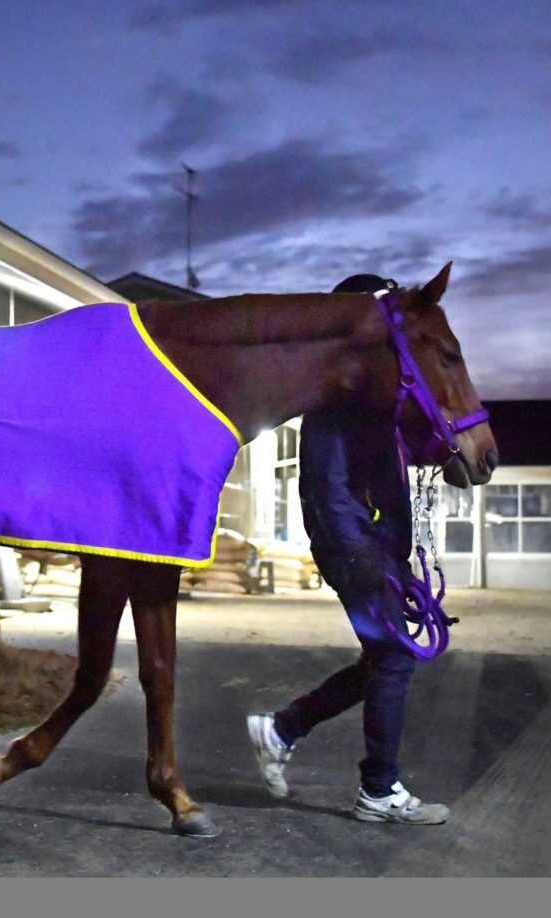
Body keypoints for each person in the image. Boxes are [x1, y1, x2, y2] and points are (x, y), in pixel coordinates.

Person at [246, 273, 449, 825]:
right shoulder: (334, 396)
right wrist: (361, 554)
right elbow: (326, 486)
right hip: (351, 546)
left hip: (371, 547)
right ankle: (378, 791)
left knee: (383, 661)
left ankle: (283, 728)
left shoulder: (366, 393)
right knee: (393, 659)